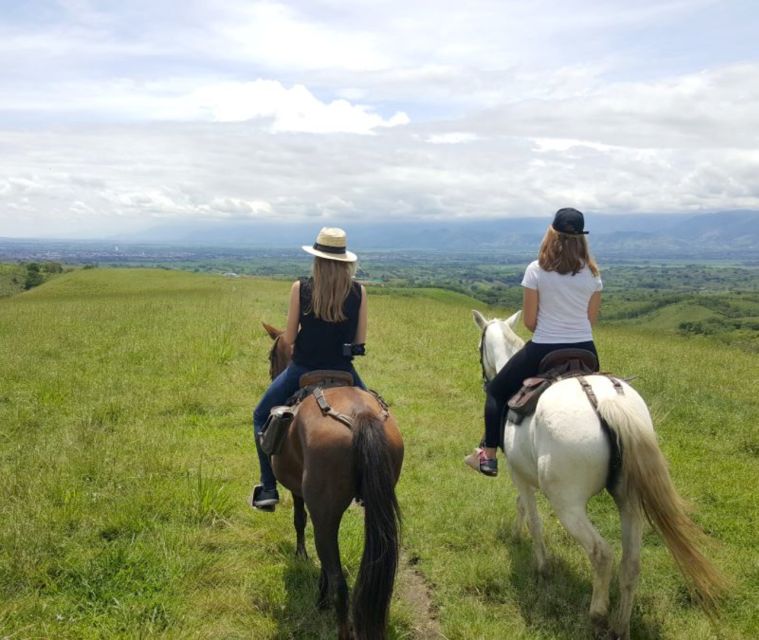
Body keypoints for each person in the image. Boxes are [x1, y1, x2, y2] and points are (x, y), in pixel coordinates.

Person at [466, 207, 603, 476]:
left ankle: (488, 455)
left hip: (544, 349)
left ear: (551, 235)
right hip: (586, 350)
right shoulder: (593, 274)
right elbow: (591, 319)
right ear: (582, 239)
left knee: (495, 391)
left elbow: (530, 322)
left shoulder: (536, 270)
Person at [251, 227, 368, 508]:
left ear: (317, 259)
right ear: (345, 261)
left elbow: (289, 338)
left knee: (258, 415)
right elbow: (359, 343)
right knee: (374, 419)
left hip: (301, 369)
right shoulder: (359, 291)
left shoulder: (300, 288)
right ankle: (364, 488)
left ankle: (268, 487)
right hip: (344, 371)